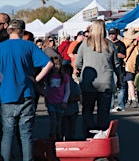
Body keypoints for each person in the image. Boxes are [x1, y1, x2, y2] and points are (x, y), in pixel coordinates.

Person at [0, 19, 53, 161]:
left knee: (7, 133)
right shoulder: (29, 46)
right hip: (27, 94)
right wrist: (36, 79)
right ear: (22, 31)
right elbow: (48, 64)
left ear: (8, 30)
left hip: (6, 95)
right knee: (26, 134)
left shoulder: (1, 47)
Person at [75, 20, 122, 137]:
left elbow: (78, 63)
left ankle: (89, 133)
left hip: (88, 82)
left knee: (87, 110)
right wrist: (120, 79)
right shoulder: (110, 45)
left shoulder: (85, 44)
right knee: (103, 112)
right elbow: (116, 64)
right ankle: (102, 135)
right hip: (105, 82)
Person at [44, 56, 70, 141]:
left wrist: (65, 101)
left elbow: (67, 90)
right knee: (53, 121)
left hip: (60, 102)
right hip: (51, 102)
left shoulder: (64, 76)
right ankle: (53, 137)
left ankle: (59, 137)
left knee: (59, 122)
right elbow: (45, 88)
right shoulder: (48, 76)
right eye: (54, 65)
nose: (56, 67)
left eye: (58, 64)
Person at [108, 28, 127, 112]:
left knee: (120, 87)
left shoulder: (121, 44)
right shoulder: (107, 44)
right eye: (110, 34)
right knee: (110, 87)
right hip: (109, 68)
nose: (112, 35)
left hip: (118, 68)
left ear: (117, 34)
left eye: (113, 34)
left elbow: (123, 55)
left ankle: (121, 105)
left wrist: (114, 54)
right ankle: (111, 106)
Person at [122, 27, 139, 108]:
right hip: (135, 63)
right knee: (131, 81)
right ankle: (130, 98)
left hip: (126, 63)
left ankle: (132, 98)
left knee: (129, 82)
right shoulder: (137, 42)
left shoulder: (123, 42)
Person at [61, 64, 81, 141]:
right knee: (65, 127)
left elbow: (78, 97)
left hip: (72, 109)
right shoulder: (62, 83)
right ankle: (67, 139)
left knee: (71, 128)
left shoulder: (74, 84)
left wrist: (67, 100)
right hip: (65, 110)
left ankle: (70, 139)